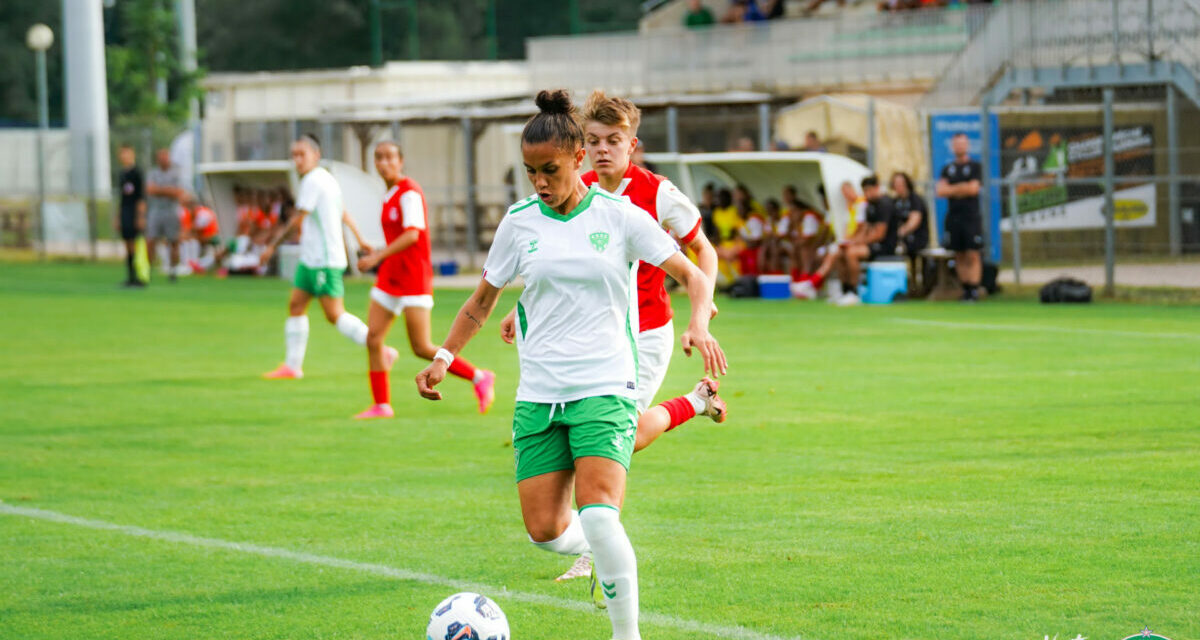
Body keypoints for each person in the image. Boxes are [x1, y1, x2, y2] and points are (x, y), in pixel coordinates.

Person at [416, 89, 726, 640]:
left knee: (601, 512)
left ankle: (625, 634)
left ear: (578, 158)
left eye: (550, 169)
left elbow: (696, 272)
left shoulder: (623, 215)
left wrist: (698, 323)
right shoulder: (518, 223)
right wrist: (444, 357)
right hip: (539, 393)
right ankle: (601, 549)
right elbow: (480, 302)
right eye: (531, 170)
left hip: (604, 386)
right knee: (545, 531)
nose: (539, 181)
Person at [499, 91, 727, 583]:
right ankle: (696, 403)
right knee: (608, 442)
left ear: (632, 145)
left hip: (643, 335)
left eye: (614, 141)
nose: (604, 150)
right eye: (595, 141)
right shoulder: (565, 185)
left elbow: (702, 256)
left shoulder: (657, 193)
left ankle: (599, 548)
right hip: (586, 344)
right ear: (581, 147)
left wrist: (700, 318)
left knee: (615, 441)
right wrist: (524, 314)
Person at [353, 141, 496, 419]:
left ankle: (479, 377)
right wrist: (377, 250)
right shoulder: (389, 194)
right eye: (378, 158)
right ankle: (382, 405)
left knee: (421, 347)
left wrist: (378, 256)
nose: (383, 163)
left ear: (401, 161)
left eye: (389, 157)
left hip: (413, 278)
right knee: (373, 338)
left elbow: (412, 235)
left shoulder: (409, 193)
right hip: (389, 277)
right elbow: (397, 236)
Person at [260, 134, 382, 379]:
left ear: (316, 155)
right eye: (294, 155)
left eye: (301, 154)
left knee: (334, 314)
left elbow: (297, 218)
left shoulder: (313, 181)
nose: (297, 160)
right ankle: (292, 366)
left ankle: (380, 348)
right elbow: (344, 213)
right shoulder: (327, 178)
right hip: (311, 258)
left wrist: (271, 246)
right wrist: (360, 240)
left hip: (323, 260)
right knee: (296, 305)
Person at [831, 175, 898, 306]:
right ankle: (844, 291)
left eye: (869, 190)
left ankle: (854, 292)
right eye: (865, 191)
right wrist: (852, 241)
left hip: (885, 246)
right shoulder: (869, 205)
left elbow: (879, 234)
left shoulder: (885, 204)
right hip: (871, 244)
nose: (867, 194)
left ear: (877, 188)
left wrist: (857, 243)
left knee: (852, 253)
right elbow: (865, 229)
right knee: (839, 253)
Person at [936, 132, 984, 301]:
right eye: (957, 144)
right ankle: (965, 289)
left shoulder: (975, 167)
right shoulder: (947, 168)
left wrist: (953, 189)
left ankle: (974, 290)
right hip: (953, 217)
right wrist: (962, 188)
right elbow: (941, 191)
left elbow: (973, 189)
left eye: (962, 144)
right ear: (952, 147)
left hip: (970, 217)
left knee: (972, 253)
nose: (959, 147)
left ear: (967, 145)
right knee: (959, 254)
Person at [145, 148, 186, 282]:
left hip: (171, 212)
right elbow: (150, 190)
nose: (163, 160)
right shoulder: (153, 173)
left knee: (173, 242)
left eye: (165, 157)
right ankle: (148, 270)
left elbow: (178, 192)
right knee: (151, 241)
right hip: (156, 211)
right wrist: (168, 190)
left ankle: (173, 271)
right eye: (160, 157)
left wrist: (160, 190)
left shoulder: (176, 173)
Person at [891, 171, 930, 289]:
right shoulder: (895, 201)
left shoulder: (915, 199)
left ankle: (922, 286)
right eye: (895, 184)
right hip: (901, 239)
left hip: (918, 238)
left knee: (913, 253)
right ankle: (903, 285)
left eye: (900, 183)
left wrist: (900, 232)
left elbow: (914, 220)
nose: (898, 187)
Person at [114, 144, 146, 288]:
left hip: (134, 211)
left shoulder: (137, 173)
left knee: (135, 244)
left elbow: (141, 197)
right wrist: (118, 217)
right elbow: (122, 198)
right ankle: (130, 276)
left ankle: (140, 275)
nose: (124, 157)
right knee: (127, 244)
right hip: (125, 211)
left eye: (126, 153)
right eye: (122, 154)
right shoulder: (122, 174)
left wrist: (140, 216)